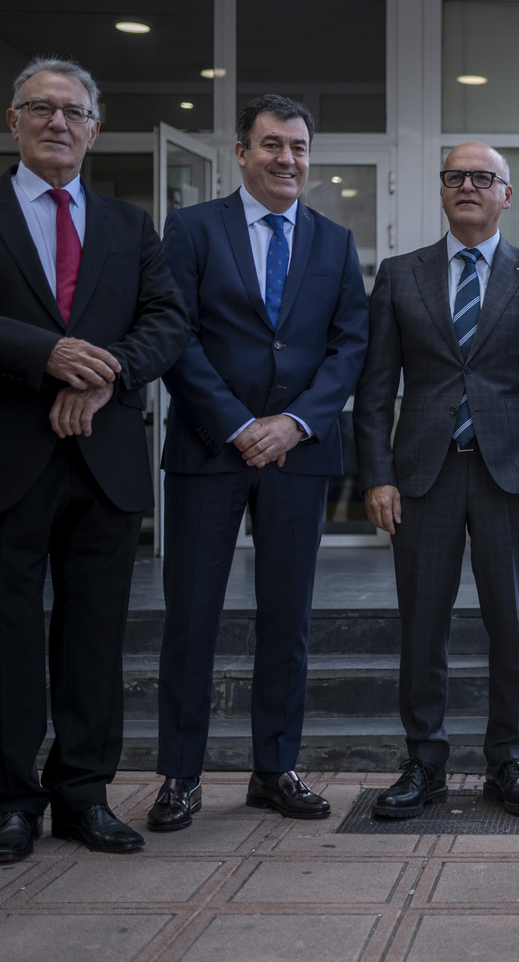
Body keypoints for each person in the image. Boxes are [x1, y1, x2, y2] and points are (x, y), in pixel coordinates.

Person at [0, 58, 189, 863]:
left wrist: (103, 376)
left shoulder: (128, 223)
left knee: (94, 639)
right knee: (3, 637)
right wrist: (50, 355)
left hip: (102, 459)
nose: (58, 123)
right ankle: (14, 803)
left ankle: (85, 794)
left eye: (74, 112)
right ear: (13, 121)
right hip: (3, 456)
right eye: (40, 108)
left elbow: (169, 319)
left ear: (95, 129)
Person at [150, 95, 368, 830]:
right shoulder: (191, 229)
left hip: (298, 456)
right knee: (192, 617)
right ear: (240, 153)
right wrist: (240, 423)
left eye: (299, 147)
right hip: (210, 449)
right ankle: (179, 777)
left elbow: (349, 347)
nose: (287, 159)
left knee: (288, 619)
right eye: (272, 145)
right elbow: (173, 335)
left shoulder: (334, 242)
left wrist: (296, 423)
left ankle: (275, 769)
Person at [355, 142, 519, 817]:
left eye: (484, 178)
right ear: (443, 191)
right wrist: (377, 475)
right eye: (456, 177)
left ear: (506, 194)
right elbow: (375, 388)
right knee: (423, 626)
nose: (469, 187)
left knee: (510, 624)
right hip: (421, 475)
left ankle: (507, 762)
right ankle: (423, 762)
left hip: (509, 478)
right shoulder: (400, 275)